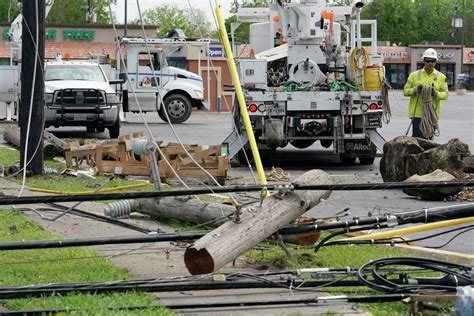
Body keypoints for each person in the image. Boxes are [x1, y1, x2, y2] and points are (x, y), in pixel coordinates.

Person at [403, 48, 448, 139]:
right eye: (428, 60)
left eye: (433, 61)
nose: (430, 63)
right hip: (418, 114)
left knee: (428, 140)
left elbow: (445, 94)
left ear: (435, 62)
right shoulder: (414, 75)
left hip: (432, 114)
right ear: (424, 61)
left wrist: (435, 93)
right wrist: (415, 90)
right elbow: (405, 91)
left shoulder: (441, 77)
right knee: (418, 140)